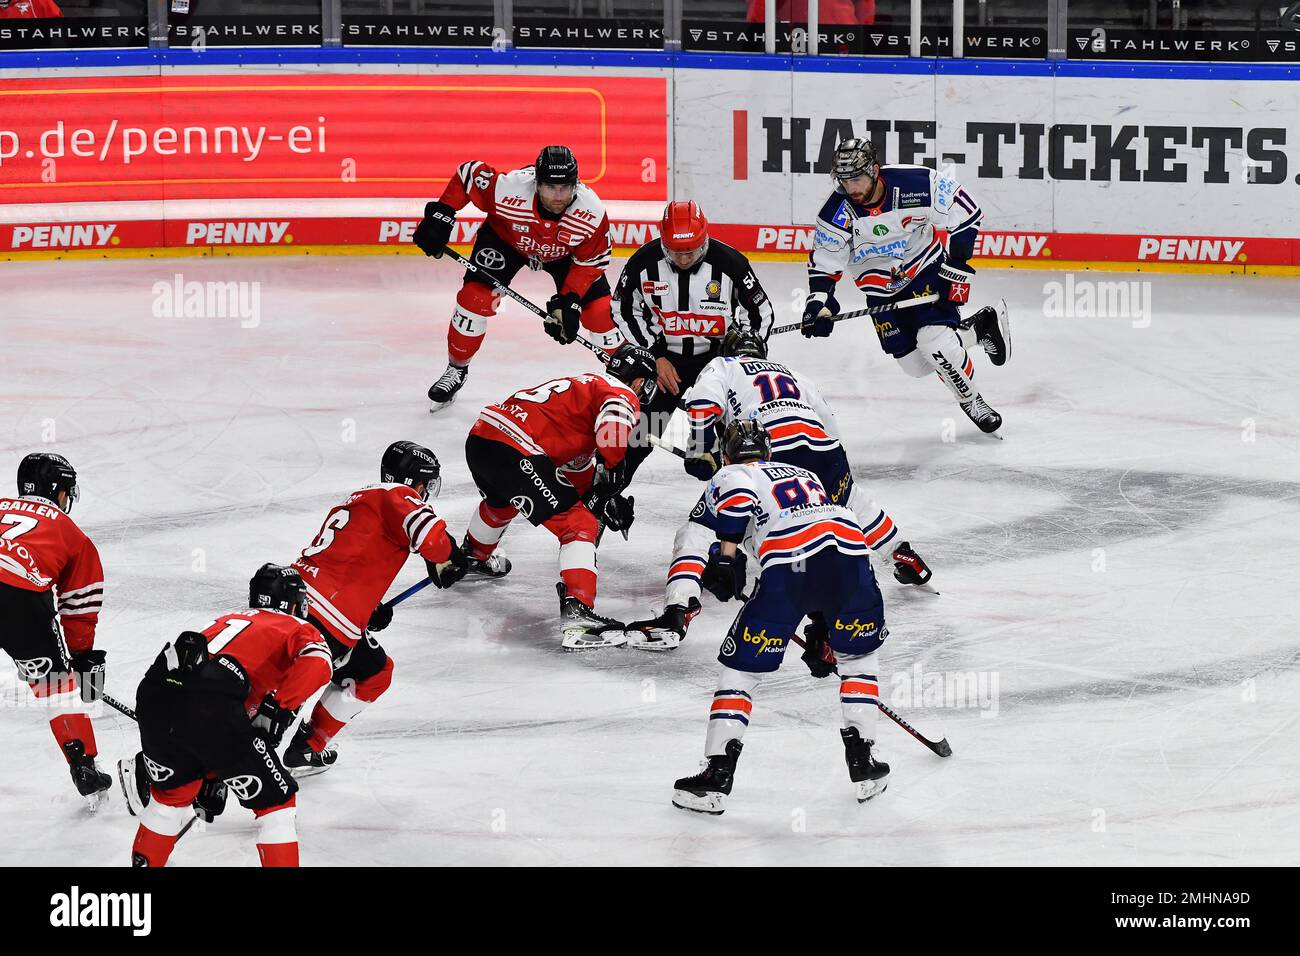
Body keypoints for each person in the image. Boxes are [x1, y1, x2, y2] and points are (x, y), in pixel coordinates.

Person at [626, 327, 930, 650]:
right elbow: (830, 425)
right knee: (849, 498)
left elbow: (702, 404)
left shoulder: (723, 367)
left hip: (769, 453)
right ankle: (900, 551)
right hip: (825, 453)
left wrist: (701, 448)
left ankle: (678, 610)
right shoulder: (794, 374)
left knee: (700, 526)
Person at [670, 421, 891, 814]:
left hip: (791, 561)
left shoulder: (731, 473)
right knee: (858, 659)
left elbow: (738, 501)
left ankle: (717, 774)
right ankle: (864, 761)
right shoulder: (804, 473)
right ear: (769, 451)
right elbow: (823, 537)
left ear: (725, 454)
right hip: (853, 556)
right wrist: (824, 627)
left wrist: (726, 558)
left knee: (742, 672)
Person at [284, 440, 482, 774]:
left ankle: (307, 747)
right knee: (278, 699)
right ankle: (245, 759)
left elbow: (345, 558)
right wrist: (451, 557)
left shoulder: (361, 497)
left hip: (292, 596)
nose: (425, 491)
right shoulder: (398, 496)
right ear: (417, 481)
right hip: (327, 620)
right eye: (426, 483)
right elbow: (431, 538)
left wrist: (366, 608)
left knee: (374, 670)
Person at [126, 565, 333, 867]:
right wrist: (278, 708)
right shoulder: (297, 628)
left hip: (156, 695)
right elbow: (319, 664)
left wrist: (213, 772)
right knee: (277, 806)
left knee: (170, 799)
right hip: (211, 707)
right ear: (293, 601)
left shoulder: (227, 618)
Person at [801, 138, 1011, 434]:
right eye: (845, 181)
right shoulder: (835, 213)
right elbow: (825, 262)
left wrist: (958, 264)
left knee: (934, 342)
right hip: (879, 292)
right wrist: (818, 303)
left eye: (858, 179)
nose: (852, 189)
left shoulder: (914, 182)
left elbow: (966, 210)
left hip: (924, 271)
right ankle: (979, 328)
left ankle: (972, 400)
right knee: (916, 366)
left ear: (874, 171)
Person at [462, 345, 656, 648]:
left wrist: (604, 497)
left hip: (483, 438)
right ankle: (579, 613)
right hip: (516, 447)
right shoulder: (621, 393)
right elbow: (613, 430)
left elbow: (575, 476)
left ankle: (473, 557)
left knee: (502, 500)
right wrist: (613, 465)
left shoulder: (585, 388)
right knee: (578, 525)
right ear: (640, 382)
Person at [412, 145, 626, 411]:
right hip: (506, 242)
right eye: (550, 187)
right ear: (536, 182)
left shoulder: (590, 212)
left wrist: (569, 300)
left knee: (599, 313)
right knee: (474, 299)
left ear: (577, 184)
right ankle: (457, 368)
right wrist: (442, 214)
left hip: (564, 256)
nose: (558, 196)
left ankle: (628, 380)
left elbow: (591, 263)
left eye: (566, 188)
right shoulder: (510, 189)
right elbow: (468, 175)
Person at [611, 199, 774, 486]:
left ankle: (745, 505)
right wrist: (654, 356)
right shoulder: (643, 262)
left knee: (741, 444)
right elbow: (623, 308)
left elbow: (760, 313)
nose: (684, 259)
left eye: (691, 252)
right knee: (638, 436)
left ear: (705, 240)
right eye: (675, 252)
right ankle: (607, 497)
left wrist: (740, 360)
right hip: (664, 364)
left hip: (719, 365)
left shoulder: (730, 263)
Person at [0, 452, 110, 806]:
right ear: (58, 490)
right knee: (56, 687)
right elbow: (79, 605)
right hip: (20, 601)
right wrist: (80, 656)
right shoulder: (72, 534)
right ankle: (84, 766)